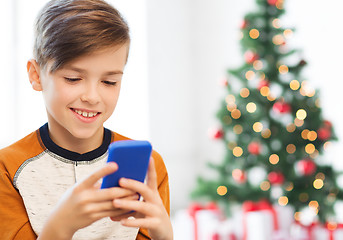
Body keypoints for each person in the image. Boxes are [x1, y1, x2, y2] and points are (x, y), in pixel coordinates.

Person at [0, 0, 173, 239]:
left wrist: (164, 236)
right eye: (73, 78)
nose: (92, 97)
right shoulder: (7, 169)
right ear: (36, 75)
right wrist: (60, 227)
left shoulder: (149, 166)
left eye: (109, 82)